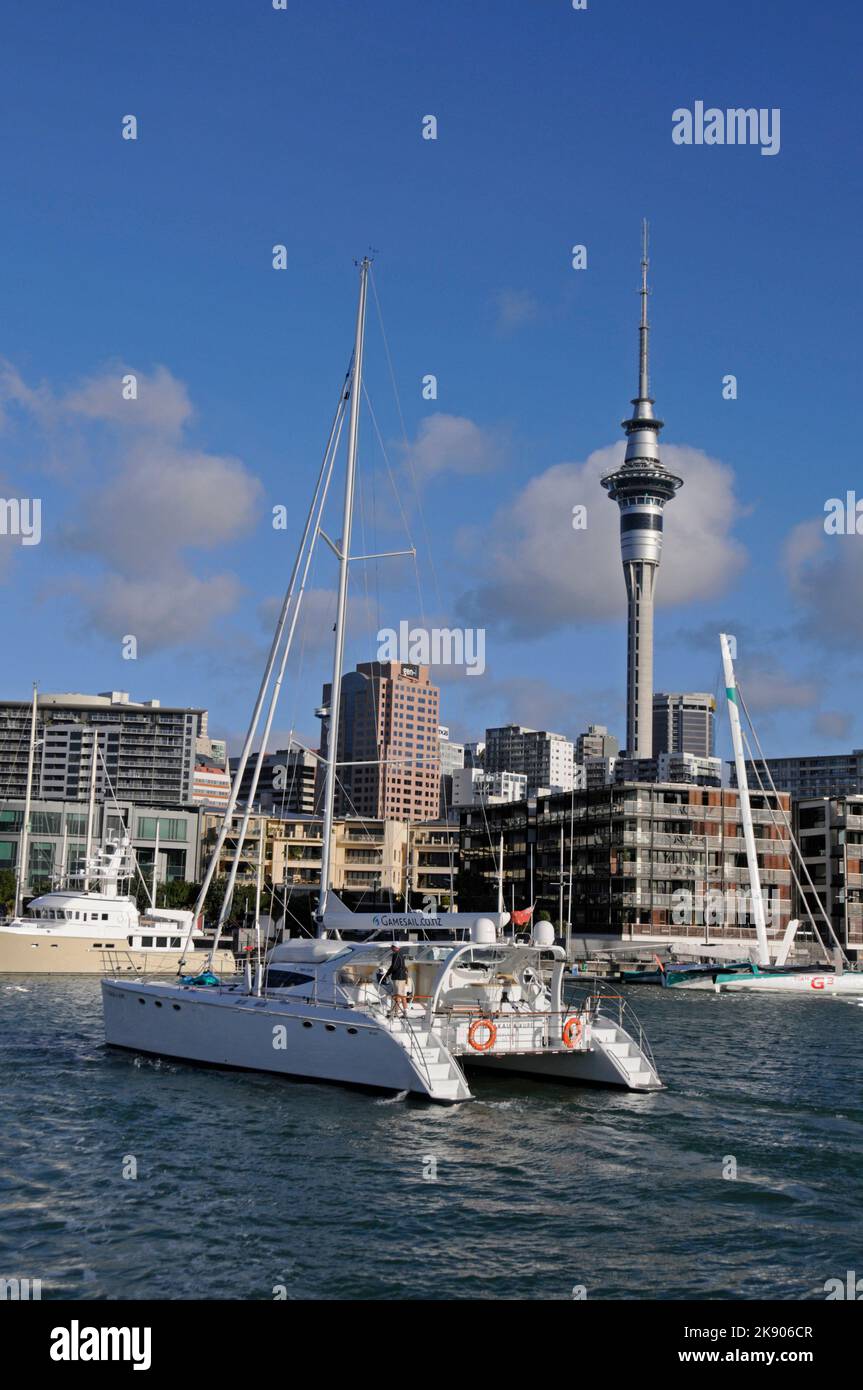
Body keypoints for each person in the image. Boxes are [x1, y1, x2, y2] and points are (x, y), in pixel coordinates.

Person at [381, 943, 409, 1018]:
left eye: (392, 946)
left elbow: (394, 966)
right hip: (402, 977)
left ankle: (395, 1012)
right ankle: (405, 1010)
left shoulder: (396, 955)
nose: (391, 948)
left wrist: (387, 974)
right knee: (402, 995)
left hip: (398, 978)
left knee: (397, 995)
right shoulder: (401, 954)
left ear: (395, 947)